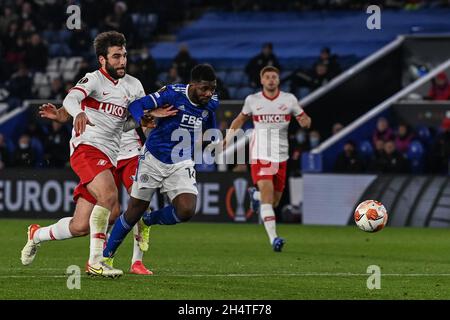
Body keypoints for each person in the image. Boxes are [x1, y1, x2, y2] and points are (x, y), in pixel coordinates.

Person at [20, 31, 174, 278]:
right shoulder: (93, 80)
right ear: (102, 60)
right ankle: (96, 262)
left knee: (83, 224)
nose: (122, 61)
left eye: (124, 55)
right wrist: (77, 113)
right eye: (116, 57)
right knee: (109, 195)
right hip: (87, 147)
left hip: (110, 155)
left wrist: (144, 120)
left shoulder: (134, 86)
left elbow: (123, 125)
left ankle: (36, 234)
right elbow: (72, 99)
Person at [102, 64, 219, 273]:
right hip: (153, 159)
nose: (209, 93)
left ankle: (149, 220)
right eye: (204, 89)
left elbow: (211, 126)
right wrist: (143, 118)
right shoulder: (172, 93)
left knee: (186, 210)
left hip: (181, 162)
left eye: (212, 88)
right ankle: (105, 259)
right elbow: (137, 105)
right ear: (192, 85)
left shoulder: (211, 104)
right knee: (132, 213)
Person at [225, 66, 311, 252]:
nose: (271, 80)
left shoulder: (289, 100)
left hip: (281, 156)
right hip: (260, 154)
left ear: (278, 80)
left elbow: (305, 119)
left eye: (274, 77)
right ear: (262, 80)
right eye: (268, 77)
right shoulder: (253, 100)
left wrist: (305, 122)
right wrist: (228, 138)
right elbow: (240, 120)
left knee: (274, 202)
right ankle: (274, 239)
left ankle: (254, 196)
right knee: (267, 194)